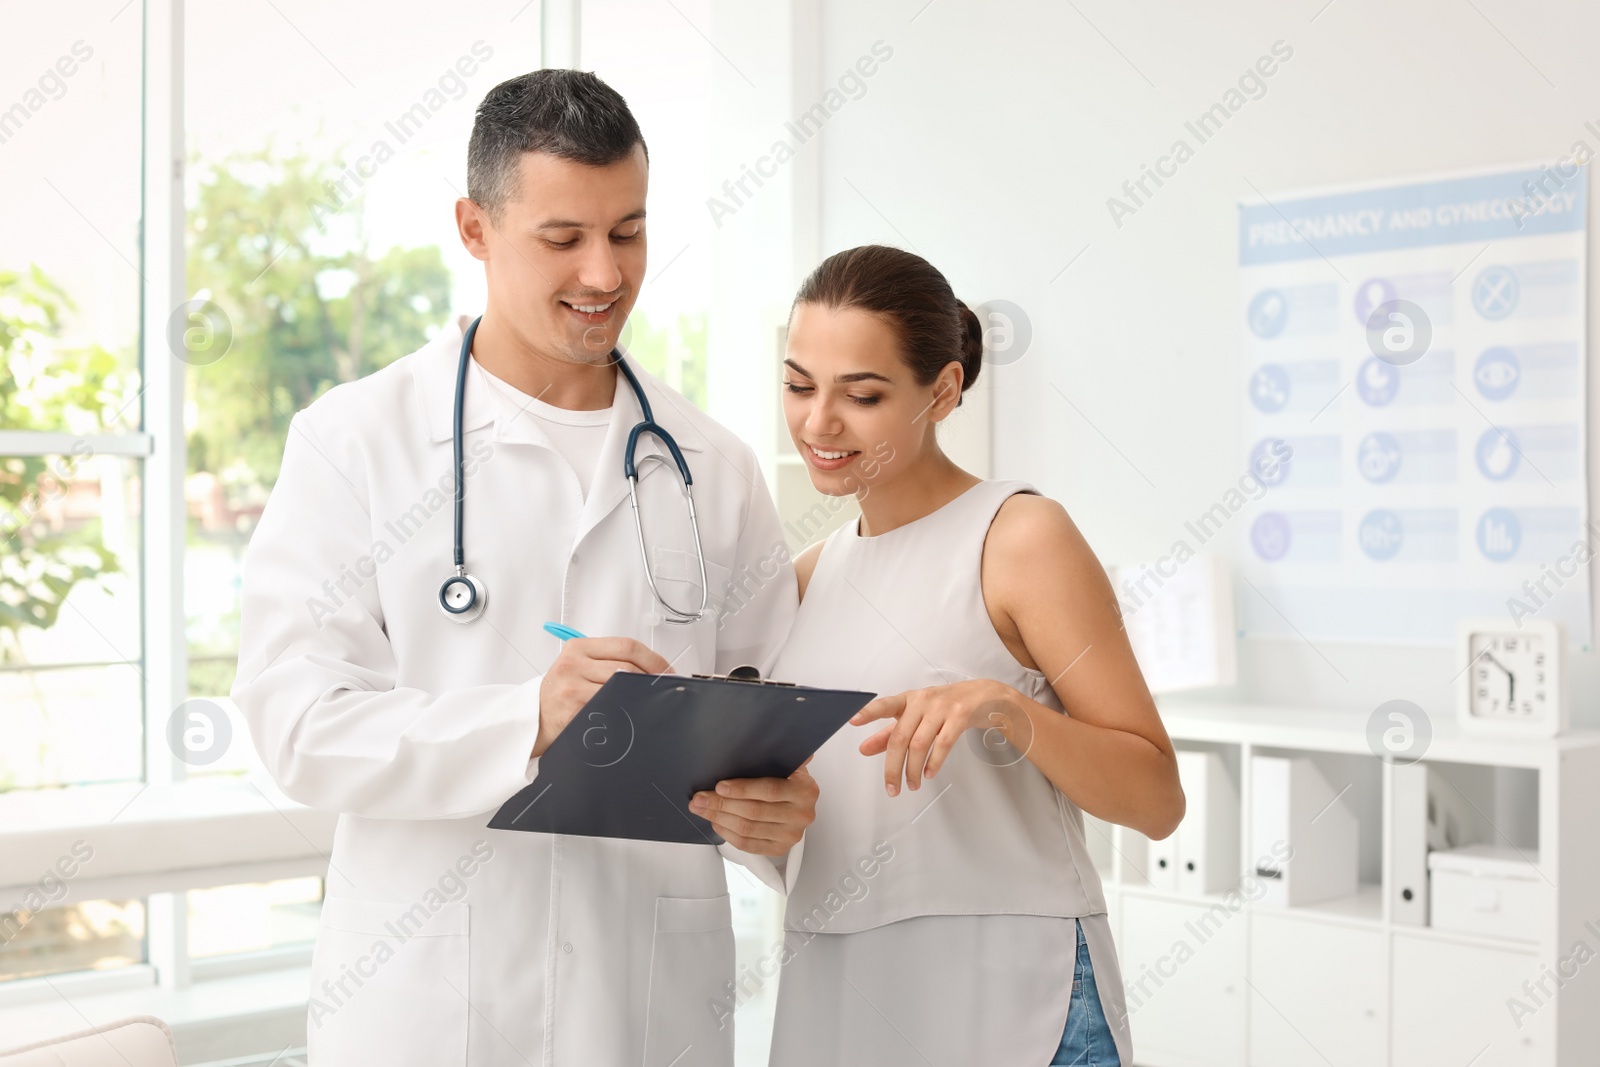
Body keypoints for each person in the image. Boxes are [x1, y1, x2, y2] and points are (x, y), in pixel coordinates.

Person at [232, 70, 817, 1067]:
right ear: (473, 227)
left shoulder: (711, 466)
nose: (604, 273)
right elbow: (295, 721)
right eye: (563, 238)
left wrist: (782, 811)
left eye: (627, 231)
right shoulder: (355, 441)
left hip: (648, 1004)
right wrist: (527, 717)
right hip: (426, 1003)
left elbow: (776, 723)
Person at [753, 244, 1185, 1065]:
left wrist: (1008, 709)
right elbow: (813, 830)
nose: (818, 423)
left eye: (864, 394)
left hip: (1015, 997)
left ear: (943, 390)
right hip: (844, 997)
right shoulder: (805, 583)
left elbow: (1156, 797)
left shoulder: (1018, 538)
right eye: (799, 385)